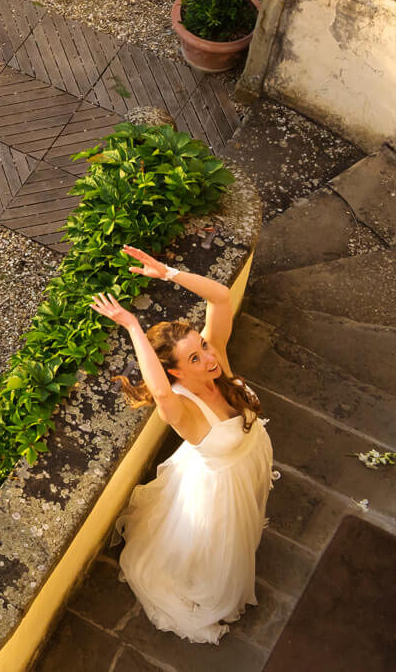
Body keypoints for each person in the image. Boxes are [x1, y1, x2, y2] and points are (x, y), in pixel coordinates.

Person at [92, 245, 273, 643]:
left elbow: (220, 297)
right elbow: (157, 390)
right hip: (222, 488)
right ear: (173, 370)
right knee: (219, 548)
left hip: (249, 454)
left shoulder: (217, 359)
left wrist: (169, 273)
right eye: (193, 358)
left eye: (203, 346)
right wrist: (132, 327)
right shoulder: (179, 409)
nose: (208, 358)